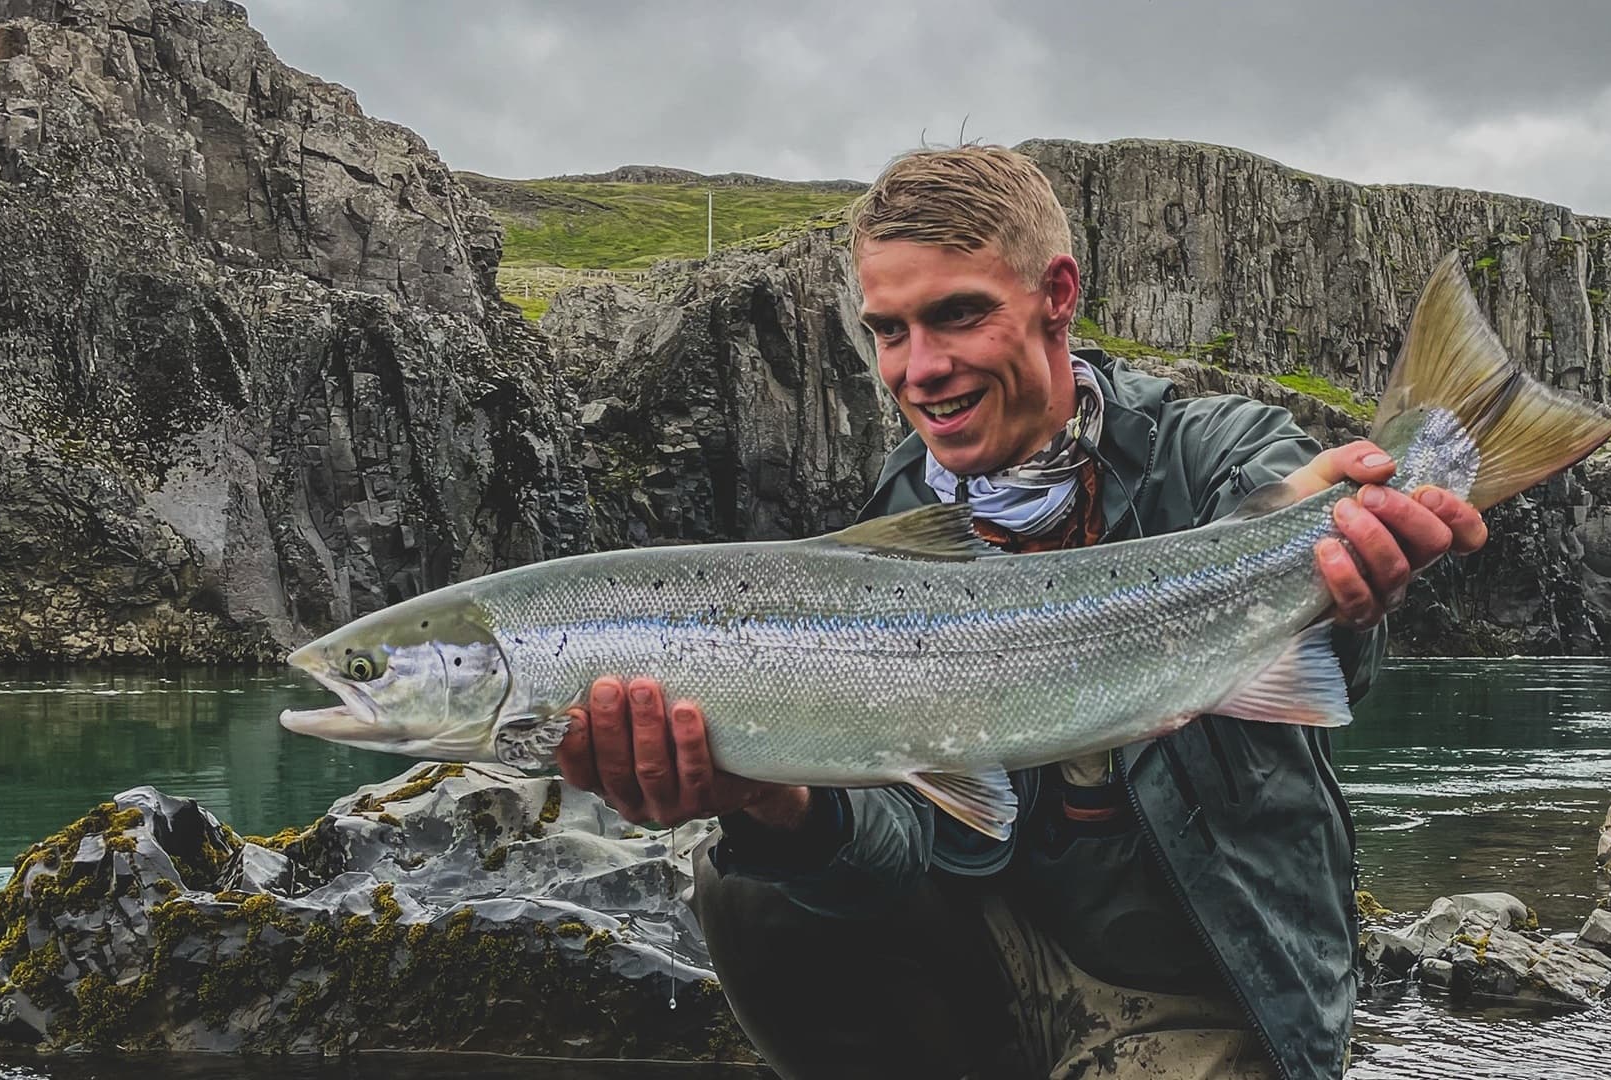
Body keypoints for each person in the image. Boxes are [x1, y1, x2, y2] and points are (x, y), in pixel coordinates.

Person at [555, 145, 1487, 1080]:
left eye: (958, 315)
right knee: (746, 882)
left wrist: (1349, 582)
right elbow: (892, 846)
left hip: (1195, 988)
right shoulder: (889, 528)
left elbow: (1337, 645)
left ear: (1058, 296)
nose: (920, 368)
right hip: (984, 974)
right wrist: (771, 802)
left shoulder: (1213, 455)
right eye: (888, 331)